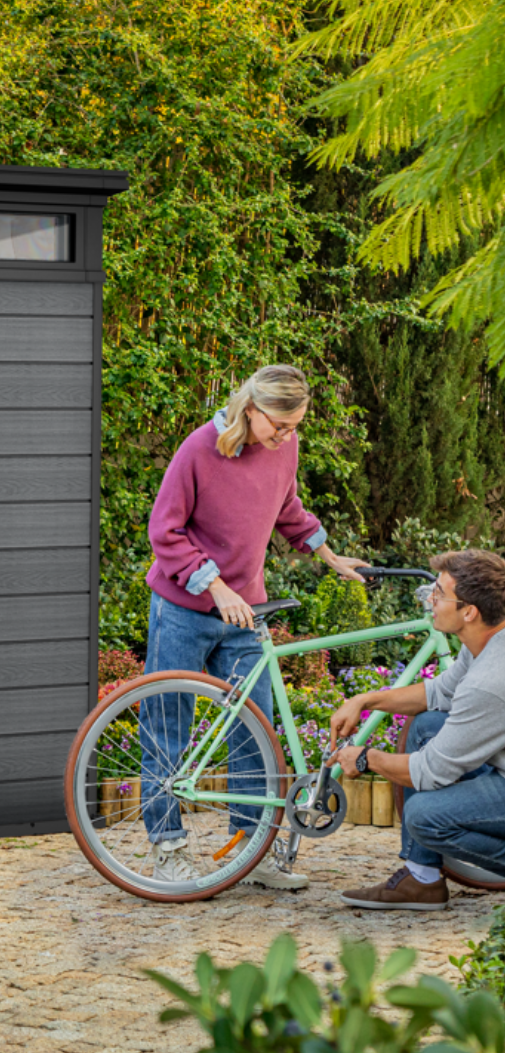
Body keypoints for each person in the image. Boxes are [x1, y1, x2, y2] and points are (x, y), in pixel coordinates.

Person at [140, 364, 365, 887]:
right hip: (184, 609)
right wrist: (215, 586)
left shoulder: (285, 448)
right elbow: (164, 530)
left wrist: (332, 557)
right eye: (279, 426)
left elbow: (286, 508)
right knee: (166, 729)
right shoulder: (200, 448)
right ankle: (167, 847)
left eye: (295, 427)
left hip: (247, 612)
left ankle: (251, 851)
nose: (287, 436)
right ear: (251, 409)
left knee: (255, 733)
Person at [329, 549, 505, 910]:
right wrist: (365, 700)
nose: (431, 599)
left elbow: (431, 772)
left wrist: (366, 759)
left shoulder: (489, 680)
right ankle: (421, 879)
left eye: (439, 593)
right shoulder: (485, 642)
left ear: (469, 611)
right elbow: (438, 693)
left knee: (424, 816)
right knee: (426, 725)